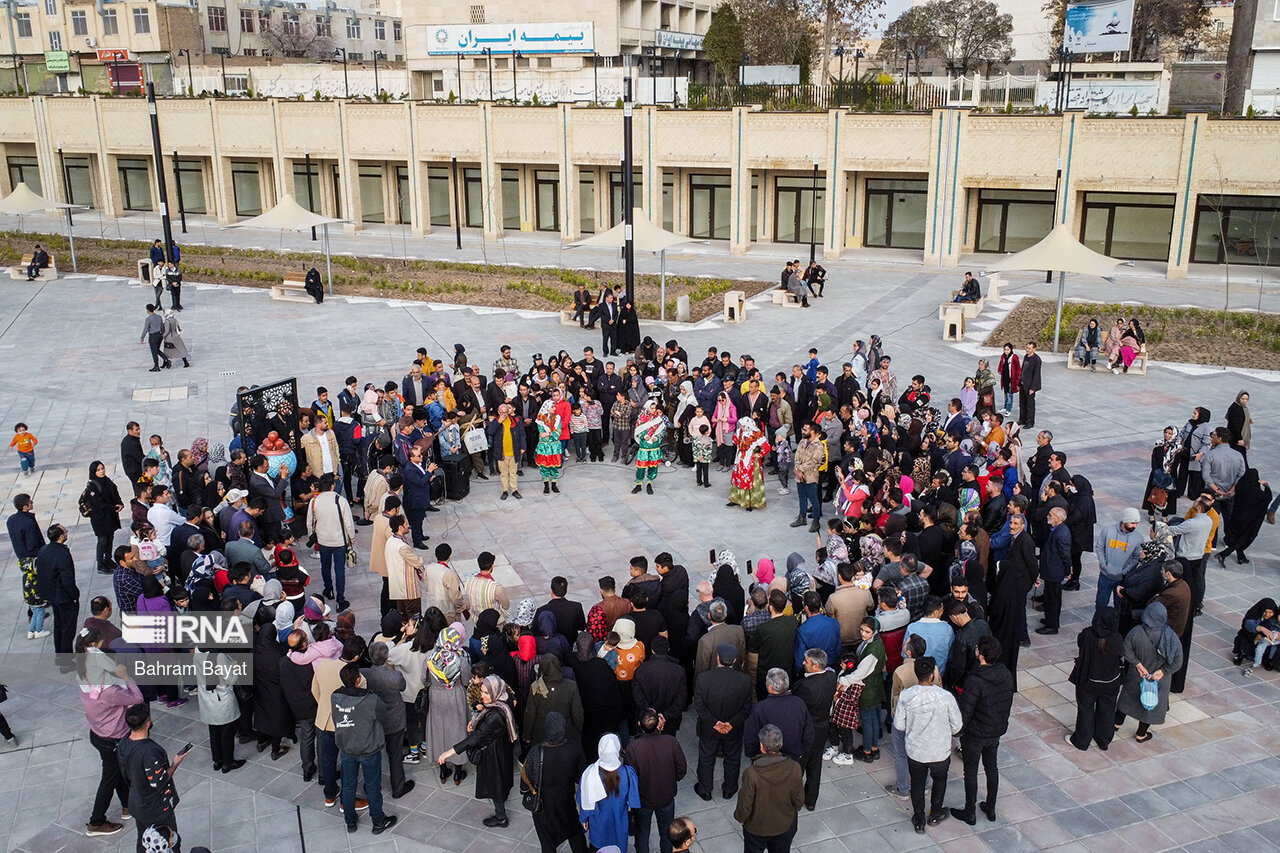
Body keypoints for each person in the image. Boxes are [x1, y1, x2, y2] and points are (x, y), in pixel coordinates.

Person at [76, 627, 144, 837]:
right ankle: (96, 821)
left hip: (97, 733)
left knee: (118, 772)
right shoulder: (111, 692)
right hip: (112, 737)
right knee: (110, 777)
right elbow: (137, 699)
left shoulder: (84, 676)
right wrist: (126, 677)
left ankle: (126, 806)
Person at [950, 636, 1014, 825]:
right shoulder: (1006, 674)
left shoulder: (975, 680)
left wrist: (958, 730)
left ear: (981, 654)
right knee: (991, 767)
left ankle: (970, 811)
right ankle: (990, 807)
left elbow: (966, 710)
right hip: (995, 730)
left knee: (970, 772)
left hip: (976, 733)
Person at [894, 656, 962, 834]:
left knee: (917, 784)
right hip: (940, 751)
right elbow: (957, 726)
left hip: (916, 752)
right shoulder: (946, 697)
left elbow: (899, 725)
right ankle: (935, 814)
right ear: (932, 675)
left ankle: (919, 819)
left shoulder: (906, 696)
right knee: (940, 781)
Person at [332, 664, 398, 834]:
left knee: (348, 786)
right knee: (373, 786)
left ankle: (350, 821)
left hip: (346, 748)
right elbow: (383, 712)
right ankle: (378, 822)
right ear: (358, 679)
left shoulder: (335, 696)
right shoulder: (370, 700)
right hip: (368, 749)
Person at [117, 703, 183, 852]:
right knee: (170, 842)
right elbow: (159, 782)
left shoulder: (123, 744)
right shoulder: (149, 751)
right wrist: (175, 764)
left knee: (144, 840)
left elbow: (126, 775)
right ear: (148, 723)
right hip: (156, 808)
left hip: (137, 803)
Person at [1114, 602, 1183, 743]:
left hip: (1138, 675)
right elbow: (1178, 661)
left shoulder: (1136, 631)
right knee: (1150, 705)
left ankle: (1115, 725)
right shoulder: (1171, 636)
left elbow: (1126, 649)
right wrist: (1163, 672)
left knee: (1127, 700)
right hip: (1159, 680)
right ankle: (1141, 734)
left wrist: (1137, 664)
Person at [693, 643, 752, 801]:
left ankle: (705, 790)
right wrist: (731, 724)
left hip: (709, 728)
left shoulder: (703, 678)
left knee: (706, 758)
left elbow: (699, 706)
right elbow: (747, 708)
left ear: (718, 658)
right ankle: (729, 789)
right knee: (732, 759)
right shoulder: (745, 680)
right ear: (734, 661)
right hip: (733, 729)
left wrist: (715, 723)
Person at [733, 723, 804, 853]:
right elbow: (798, 799)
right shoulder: (794, 767)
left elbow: (745, 803)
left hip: (757, 829)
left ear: (761, 747)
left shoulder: (752, 773)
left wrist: (741, 818)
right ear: (781, 744)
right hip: (785, 825)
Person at [626, 708, 688, 853]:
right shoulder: (671, 742)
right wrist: (671, 780)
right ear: (659, 723)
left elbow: (630, 777)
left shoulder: (633, 748)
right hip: (666, 798)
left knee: (642, 835)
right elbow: (682, 769)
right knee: (667, 834)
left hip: (643, 800)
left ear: (639, 725)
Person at [528, 711, 590, 853]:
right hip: (566, 802)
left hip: (543, 807)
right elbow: (582, 777)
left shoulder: (536, 752)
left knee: (547, 843)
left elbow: (527, 782)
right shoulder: (574, 748)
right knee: (574, 833)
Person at [1066, 607, 1124, 751]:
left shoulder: (1087, 635)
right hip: (1110, 682)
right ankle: (1103, 739)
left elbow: (1080, 644)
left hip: (1088, 680)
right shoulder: (1117, 638)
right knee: (1107, 709)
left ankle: (1082, 740)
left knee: (1085, 709)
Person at [577, 733, 641, 851]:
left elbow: (584, 802)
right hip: (619, 825)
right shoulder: (628, 773)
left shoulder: (590, 774)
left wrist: (583, 820)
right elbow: (634, 801)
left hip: (598, 827)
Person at [792, 648, 837, 811]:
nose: (803, 663)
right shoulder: (832, 677)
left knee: (798, 766)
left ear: (816, 666)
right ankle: (811, 800)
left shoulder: (804, 686)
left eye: (807, 661)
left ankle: (796, 801)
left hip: (806, 731)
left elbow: (796, 709)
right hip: (822, 727)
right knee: (815, 764)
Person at [307, 474, 355, 611]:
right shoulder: (340, 500)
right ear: (332, 485)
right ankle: (340, 600)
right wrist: (351, 538)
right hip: (339, 541)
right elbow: (348, 523)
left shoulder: (315, 501)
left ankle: (329, 590)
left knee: (325, 566)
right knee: (339, 570)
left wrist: (312, 535)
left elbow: (309, 521)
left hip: (323, 540)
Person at [8, 493, 49, 640]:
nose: (32, 503)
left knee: (28, 582)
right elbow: (33, 543)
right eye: (30, 502)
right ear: (25, 506)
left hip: (22, 557)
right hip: (33, 557)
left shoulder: (11, 520)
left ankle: (33, 611)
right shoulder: (29, 522)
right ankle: (36, 610)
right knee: (36, 583)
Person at [36, 523, 79, 656]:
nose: (67, 532)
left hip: (52, 595)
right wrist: (74, 595)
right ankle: (65, 660)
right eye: (65, 531)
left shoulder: (43, 550)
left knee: (59, 625)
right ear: (61, 536)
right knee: (68, 629)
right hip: (63, 597)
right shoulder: (62, 554)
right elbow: (67, 579)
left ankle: (59, 654)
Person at [1216, 468, 1271, 567]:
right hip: (1249, 521)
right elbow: (1268, 498)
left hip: (1237, 518)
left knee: (1240, 538)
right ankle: (1223, 554)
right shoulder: (1256, 492)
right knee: (1245, 538)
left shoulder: (1240, 487)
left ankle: (1240, 556)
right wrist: (1266, 485)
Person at [728, 417, 771, 511]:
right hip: (740, 458)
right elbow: (735, 441)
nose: (740, 427)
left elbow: (767, 446)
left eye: (742, 425)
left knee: (748, 479)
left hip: (750, 461)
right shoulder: (739, 432)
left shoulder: (757, 434)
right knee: (737, 478)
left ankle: (750, 502)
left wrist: (759, 454)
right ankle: (736, 499)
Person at [632, 400, 666, 495]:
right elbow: (637, 431)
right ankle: (638, 484)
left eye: (655, 408)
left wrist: (657, 437)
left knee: (653, 466)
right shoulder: (641, 418)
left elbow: (662, 430)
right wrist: (643, 436)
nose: (654, 410)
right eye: (652, 408)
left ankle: (650, 483)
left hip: (654, 446)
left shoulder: (657, 418)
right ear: (647, 408)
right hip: (644, 446)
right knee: (641, 466)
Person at [1017, 342, 1041, 428]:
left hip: (1030, 386)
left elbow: (1036, 375)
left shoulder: (1036, 360)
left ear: (1034, 349)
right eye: (1027, 348)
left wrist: (1033, 388)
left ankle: (1030, 422)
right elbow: (1022, 371)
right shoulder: (1026, 357)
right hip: (1023, 384)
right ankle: (1022, 419)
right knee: (1022, 403)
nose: (1027, 350)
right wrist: (1019, 383)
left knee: (1030, 405)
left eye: (1029, 348)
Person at [140, 304, 166, 372]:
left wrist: (142, 337)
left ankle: (156, 366)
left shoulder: (148, 319)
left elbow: (145, 329)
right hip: (159, 335)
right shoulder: (159, 317)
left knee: (154, 352)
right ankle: (166, 359)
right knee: (157, 349)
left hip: (153, 336)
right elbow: (162, 326)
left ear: (148, 310)